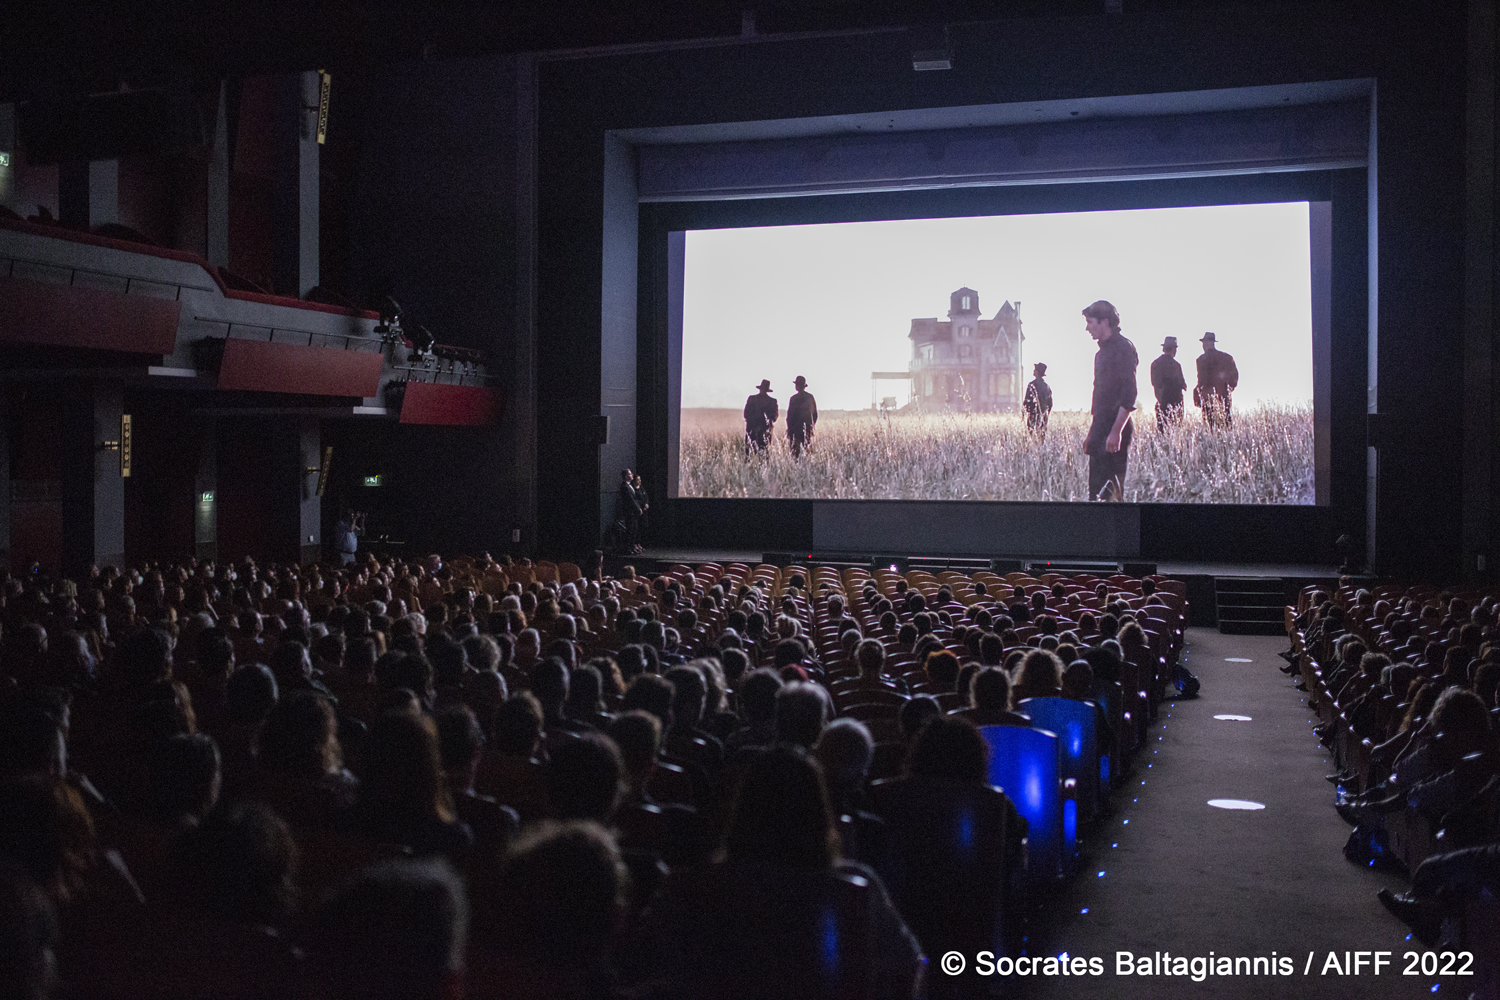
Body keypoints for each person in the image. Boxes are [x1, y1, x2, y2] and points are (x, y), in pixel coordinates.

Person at [1081, 299, 1138, 502]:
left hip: (1115, 428)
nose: (1087, 328)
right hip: (1101, 427)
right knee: (1096, 494)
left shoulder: (1123, 349)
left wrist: (1116, 431)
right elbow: (1100, 397)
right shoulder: (1101, 354)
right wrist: (1093, 433)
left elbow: (1129, 394)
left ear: (1104, 322)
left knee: (1111, 495)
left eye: (1090, 322)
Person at [1193, 331, 1239, 428]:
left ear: (1206, 343)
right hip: (1223, 397)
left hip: (1207, 398)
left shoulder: (1201, 360)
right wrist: (1229, 388)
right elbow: (1234, 377)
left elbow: (1201, 380)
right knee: (1226, 426)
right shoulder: (1226, 358)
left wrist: (1198, 392)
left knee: (1210, 427)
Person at [1150, 336, 1187, 431]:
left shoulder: (1155, 364)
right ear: (1174, 350)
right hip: (1176, 405)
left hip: (1161, 403)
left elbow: (1155, 384)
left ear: (1164, 348)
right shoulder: (1176, 365)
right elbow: (1183, 385)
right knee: (1175, 432)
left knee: (1162, 433)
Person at [785, 376, 817, 458]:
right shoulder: (810, 397)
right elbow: (814, 414)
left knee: (795, 453)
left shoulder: (793, 399)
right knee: (806, 451)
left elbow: (789, 416)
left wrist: (790, 429)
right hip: (806, 429)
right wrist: (811, 426)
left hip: (795, 430)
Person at [743, 379, 778, 453]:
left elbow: (774, 417)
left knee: (760, 453)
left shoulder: (752, 399)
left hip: (760, 430)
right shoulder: (772, 401)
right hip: (755, 429)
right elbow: (746, 414)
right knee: (757, 454)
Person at [614, 469, 643, 555]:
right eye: (630, 474)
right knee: (630, 530)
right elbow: (631, 500)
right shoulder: (624, 487)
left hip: (633, 512)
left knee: (634, 529)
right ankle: (628, 548)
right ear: (626, 476)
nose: (632, 475)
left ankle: (631, 547)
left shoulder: (630, 486)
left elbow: (635, 498)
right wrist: (638, 509)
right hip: (629, 512)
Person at [1022, 362, 1053, 436]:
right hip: (1043, 416)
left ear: (1037, 372)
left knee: (1032, 436)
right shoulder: (1047, 387)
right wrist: (1046, 413)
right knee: (1041, 436)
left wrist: (1025, 412)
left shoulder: (1031, 385)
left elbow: (1026, 401)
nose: (1033, 371)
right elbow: (1050, 404)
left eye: (1034, 370)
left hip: (1033, 415)